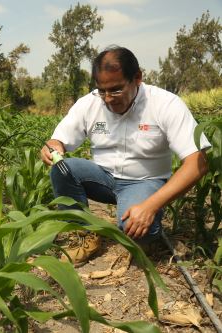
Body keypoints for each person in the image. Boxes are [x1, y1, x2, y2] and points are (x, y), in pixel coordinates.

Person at [40, 45, 211, 266]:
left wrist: (150, 206)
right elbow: (58, 140)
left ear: (137, 78)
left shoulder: (165, 104)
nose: (108, 98)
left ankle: (142, 225)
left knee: (138, 232)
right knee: (62, 168)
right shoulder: (90, 103)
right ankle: (84, 234)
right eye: (102, 91)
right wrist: (53, 146)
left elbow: (197, 163)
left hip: (145, 181)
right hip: (102, 178)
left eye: (116, 90)